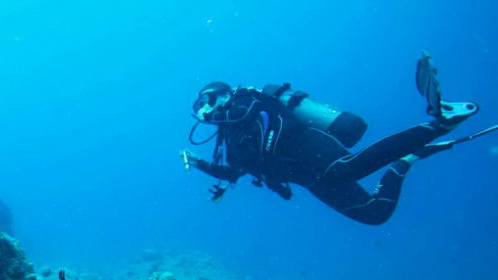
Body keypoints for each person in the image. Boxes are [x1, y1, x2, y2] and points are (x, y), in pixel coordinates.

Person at [181, 53, 488, 225]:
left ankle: (440, 123)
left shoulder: (246, 103)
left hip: (307, 145)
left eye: (207, 100)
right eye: (199, 108)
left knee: (345, 169)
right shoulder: (229, 136)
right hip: (307, 177)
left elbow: (270, 126)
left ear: (223, 93)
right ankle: (406, 161)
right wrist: (197, 163)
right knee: (372, 213)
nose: (205, 110)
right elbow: (234, 172)